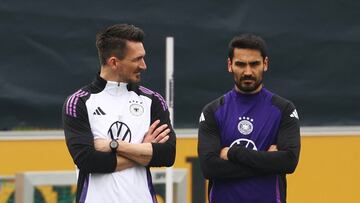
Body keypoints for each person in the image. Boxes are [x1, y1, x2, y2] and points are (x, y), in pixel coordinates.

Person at [62, 24, 176, 203]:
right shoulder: (79, 102)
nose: (144, 65)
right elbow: (87, 160)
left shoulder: (153, 100)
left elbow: (167, 155)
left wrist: (114, 145)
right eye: (137, 59)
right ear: (114, 62)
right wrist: (143, 151)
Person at [198, 34, 300, 203]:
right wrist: (267, 162)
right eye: (240, 64)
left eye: (254, 64)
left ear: (265, 64)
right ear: (230, 65)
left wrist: (233, 152)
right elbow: (209, 168)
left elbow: (288, 162)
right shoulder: (212, 111)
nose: (247, 72)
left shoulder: (284, 109)